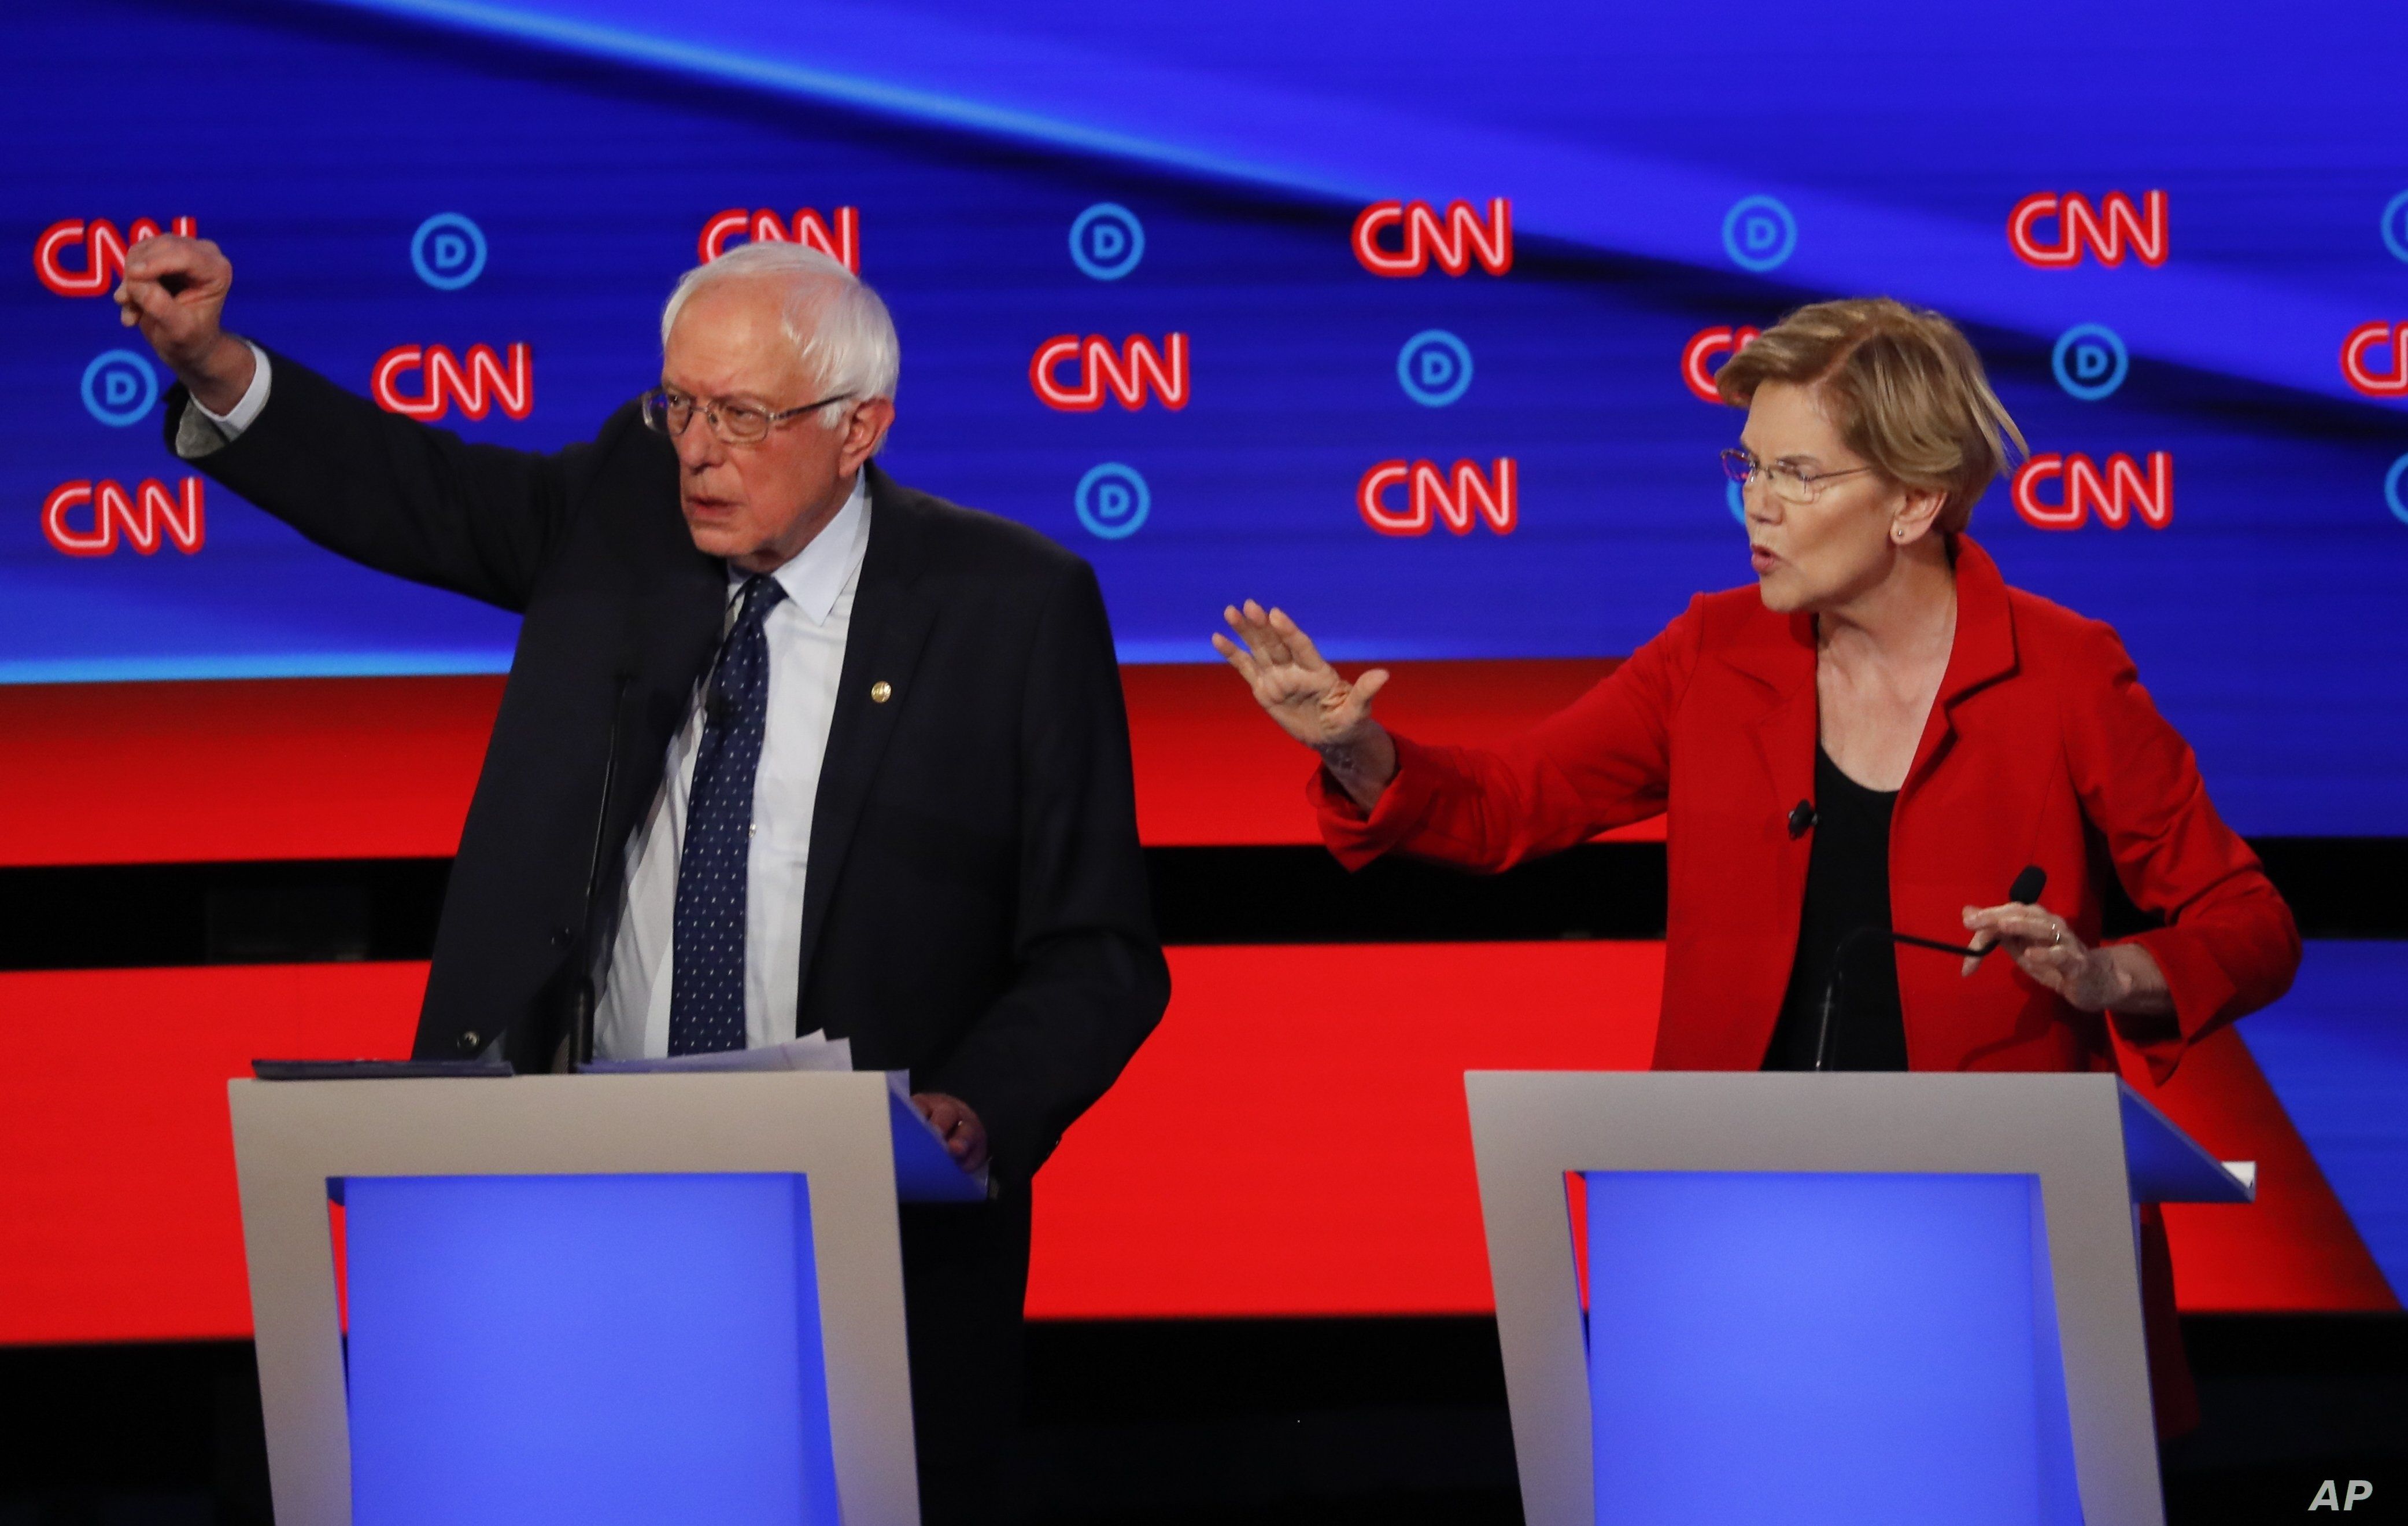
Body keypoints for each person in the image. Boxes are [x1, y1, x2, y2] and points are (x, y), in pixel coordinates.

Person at [116, 233, 1170, 1519]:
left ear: (859, 429)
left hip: (859, 1237)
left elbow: (1097, 950)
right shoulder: (623, 519)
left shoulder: (1011, 605)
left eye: (743, 414)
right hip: (577, 1207)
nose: (697, 450)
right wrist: (216, 364)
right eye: (680, 404)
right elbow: (413, 487)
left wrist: (975, 1108)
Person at [1214, 297, 2299, 1435]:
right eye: (1748, 464)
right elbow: (1501, 806)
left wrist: (2106, 972)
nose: (1757, 504)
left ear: (1915, 501)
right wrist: (1348, 738)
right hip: (1736, 1239)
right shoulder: (1712, 654)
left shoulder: (2066, 672)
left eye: (1799, 473)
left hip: (1997, 1241)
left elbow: (2250, 920)